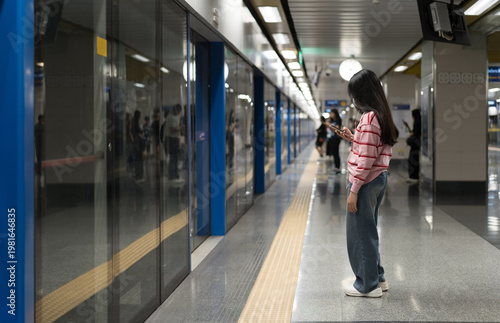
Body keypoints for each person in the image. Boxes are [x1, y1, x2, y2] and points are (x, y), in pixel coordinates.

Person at [334, 69, 397, 298]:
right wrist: (355, 137)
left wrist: (354, 190)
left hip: (366, 182)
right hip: (378, 178)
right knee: (369, 230)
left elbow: (366, 160)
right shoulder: (380, 114)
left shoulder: (369, 117)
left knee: (360, 234)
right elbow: (373, 148)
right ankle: (378, 278)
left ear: (363, 93)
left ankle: (367, 285)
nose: (354, 100)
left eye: (355, 95)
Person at [403, 109, 421, 183]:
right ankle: (414, 176)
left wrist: (409, 137)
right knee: (414, 159)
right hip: (417, 144)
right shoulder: (418, 122)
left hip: (415, 144)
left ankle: (414, 176)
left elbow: (414, 133)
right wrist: (407, 126)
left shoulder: (418, 122)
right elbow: (412, 131)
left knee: (413, 159)